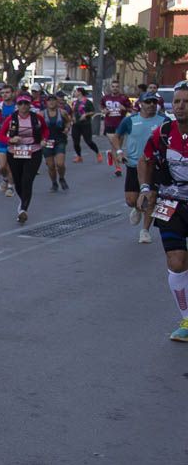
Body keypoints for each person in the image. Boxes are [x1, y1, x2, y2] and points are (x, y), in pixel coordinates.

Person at [138, 83, 188, 341]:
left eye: (186, 102)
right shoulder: (163, 133)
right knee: (176, 262)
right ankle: (187, 319)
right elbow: (145, 159)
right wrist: (146, 188)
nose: (180, 106)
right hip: (171, 204)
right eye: (177, 101)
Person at [117, 92, 163, 244]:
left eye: (154, 102)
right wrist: (119, 152)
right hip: (133, 164)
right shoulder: (130, 120)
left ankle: (145, 231)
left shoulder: (164, 120)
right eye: (148, 102)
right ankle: (136, 208)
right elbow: (117, 135)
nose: (152, 104)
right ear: (141, 104)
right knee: (131, 200)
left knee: (151, 197)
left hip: (154, 165)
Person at [5, 94, 47, 223]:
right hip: (15, 152)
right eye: (20, 103)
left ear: (30, 105)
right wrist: (10, 140)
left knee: (27, 180)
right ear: (17, 105)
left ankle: (23, 209)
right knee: (18, 181)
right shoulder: (11, 118)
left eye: (26, 103)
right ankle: (23, 202)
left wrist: (44, 139)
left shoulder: (37, 118)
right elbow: (1, 135)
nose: (23, 106)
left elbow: (45, 130)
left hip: (33, 151)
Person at [0, 84, 18, 196]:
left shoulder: (17, 107)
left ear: (13, 94)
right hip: (1, 139)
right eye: (2, 93)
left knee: (10, 165)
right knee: (2, 167)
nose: (4, 95)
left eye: (7, 92)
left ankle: (11, 186)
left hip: (13, 140)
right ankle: (5, 178)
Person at [42, 93, 72, 192]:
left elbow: (68, 122)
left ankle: (62, 178)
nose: (51, 102)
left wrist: (67, 128)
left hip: (60, 140)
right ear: (46, 102)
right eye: (49, 100)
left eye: (53, 100)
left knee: (60, 164)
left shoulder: (62, 112)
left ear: (57, 102)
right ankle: (54, 183)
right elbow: (36, 126)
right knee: (50, 166)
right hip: (47, 142)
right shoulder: (41, 114)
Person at [101, 80, 132, 177]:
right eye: (113, 86)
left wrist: (125, 109)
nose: (115, 88)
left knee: (117, 146)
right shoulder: (105, 98)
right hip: (109, 124)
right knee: (115, 145)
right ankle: (118, 168)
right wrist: (104, 110)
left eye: (116, 86)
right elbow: (101, 107)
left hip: (120, 124)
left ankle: (112, 154)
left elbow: (131, 109)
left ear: (119, 88)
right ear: (110, 87)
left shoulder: (124, 98)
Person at [70, 86, 102, 163]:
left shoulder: (87, 102)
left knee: (89, 141)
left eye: (76, 91)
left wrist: (86, 114)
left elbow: (93, 111)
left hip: (85, 124)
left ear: (80, 92)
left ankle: (98, 153)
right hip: (76, 124)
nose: (75, 93)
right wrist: (72, 117)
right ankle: (79, 156)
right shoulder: (75, 102)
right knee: (76, 142)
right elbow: (73, 111)